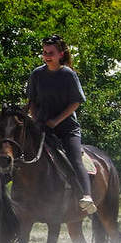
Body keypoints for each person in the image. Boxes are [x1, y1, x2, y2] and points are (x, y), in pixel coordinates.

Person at [24, 34, 96, 215]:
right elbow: (31, 100)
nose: (47, 56)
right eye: (44, 52)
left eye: (51, 53)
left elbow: (76, 102)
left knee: (75, 158)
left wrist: (56, 121)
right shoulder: (37, 74)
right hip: (42, 126)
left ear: (61, 54)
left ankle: (87, 196)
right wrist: (34, 119)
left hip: (67, 129)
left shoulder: (68, 74)